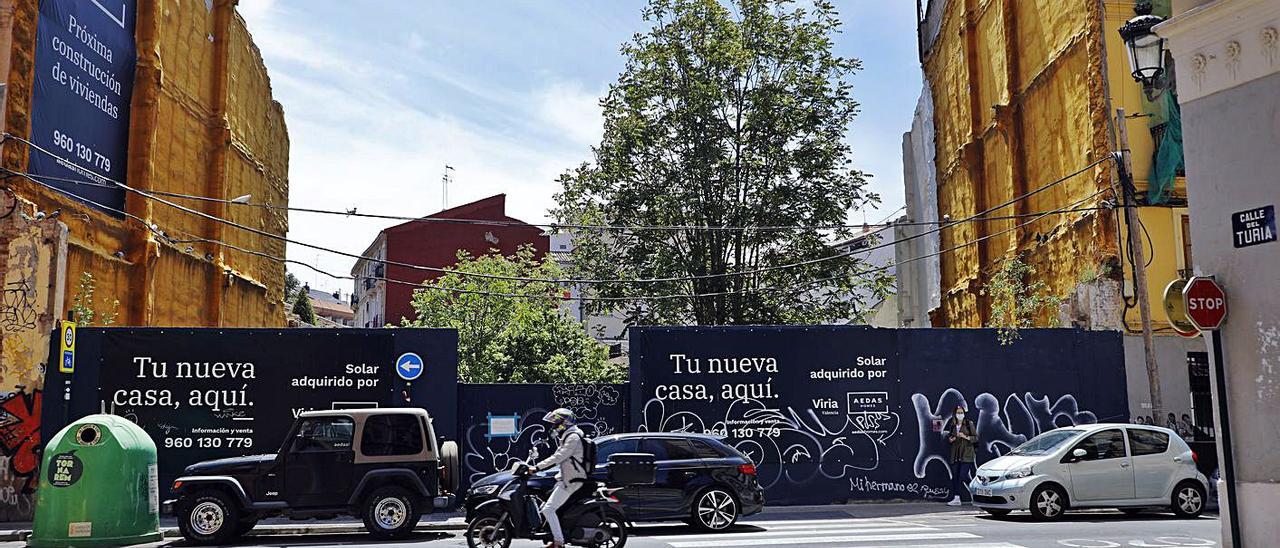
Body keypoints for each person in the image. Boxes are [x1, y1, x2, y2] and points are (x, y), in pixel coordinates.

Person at [531, 408, 588, 548]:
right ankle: (555, 536)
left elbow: (559, 457)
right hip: (564, 478)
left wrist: (537, 467)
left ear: (564, 423)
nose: (553, 426)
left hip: (572, 480)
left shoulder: (573, 437)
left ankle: (558, 542)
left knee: (548, 509)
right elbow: (556, 456)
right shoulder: (568, 436)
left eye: (556, 423)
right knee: (544, 505)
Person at [946, 405, 978, 506]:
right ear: (955, 414)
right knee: (955, 477)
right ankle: (956, 498)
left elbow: (975, 438)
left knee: (963, 476)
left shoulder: (969, 424)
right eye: (958, 412)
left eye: (961, 412)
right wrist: (951, 439)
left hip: (967, 454)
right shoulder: (952, 425)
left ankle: (976, 494)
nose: (960, 414)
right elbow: (949, 438)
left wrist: (965, 436)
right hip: (955, 455)